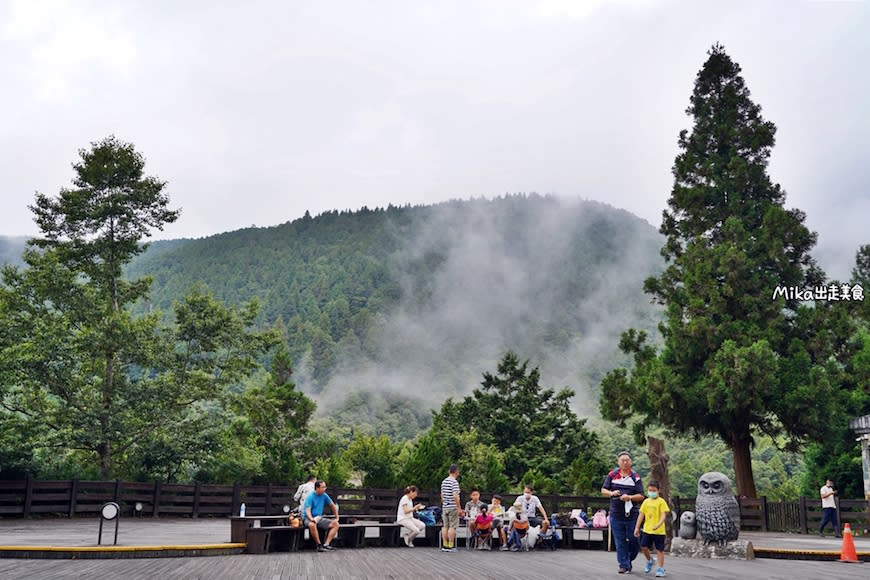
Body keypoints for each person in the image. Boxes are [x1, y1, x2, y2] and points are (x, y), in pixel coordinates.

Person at [601, 451, 644, 574]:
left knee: (634, 540)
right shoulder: (612, 475)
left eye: (627, 460)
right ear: (618, 462)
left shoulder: (635, 477)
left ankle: (628, 560)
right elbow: (603, 490)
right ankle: (623, 565)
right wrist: (611, 493)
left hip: (632, 515)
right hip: (616, 514)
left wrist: (629, 497)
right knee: (619, 541)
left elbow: (641, 495)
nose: (625, 462)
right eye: (622, 460)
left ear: (630, 462)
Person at [634, 480, 670, 578]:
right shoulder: (646, 502)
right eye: (650, 490)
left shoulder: (661, 502)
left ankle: (660, 568)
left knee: (660, 549)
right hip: (647, 530)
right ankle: (650, 560)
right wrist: (637, 527)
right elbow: (641, 515)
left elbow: (663, 515)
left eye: (654, 490)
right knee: (643, 547)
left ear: (658, 490)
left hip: (659, 531)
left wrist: (659, 524)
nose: (651, 492)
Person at [302, 480, 340, 552]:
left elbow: (332, 505)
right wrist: (311, 519)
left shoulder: (324, 495)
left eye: (325, 487)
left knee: (336, 524)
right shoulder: (310, 497)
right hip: (308, 518)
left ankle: (326, 544)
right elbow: (307, 511)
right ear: (317, 488)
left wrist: (337, 516)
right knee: (312, 525)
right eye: (323, 487)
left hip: (319, 517)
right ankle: (319, 545)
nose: (325, 489)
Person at [440, 464, 463, 552]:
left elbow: (442, 495)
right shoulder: (454, 482)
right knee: (452, 527)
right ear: (456, 471)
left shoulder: (444, 481)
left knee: (445, 526)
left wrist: (444, 503)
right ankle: (451, 545)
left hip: (445, 506)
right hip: (453, 506)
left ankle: (445, 545)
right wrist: (459, 507)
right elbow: (455, 496)